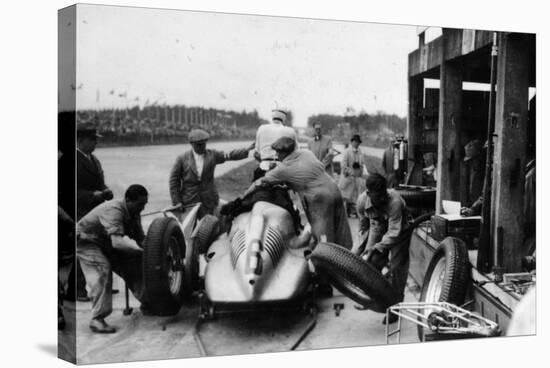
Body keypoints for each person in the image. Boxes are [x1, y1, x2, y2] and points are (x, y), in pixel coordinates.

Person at [245, 136, 352, 250]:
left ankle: (325, 260)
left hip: (319, 200)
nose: (276, 156)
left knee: (323, 237)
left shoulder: (283, 169)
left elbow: (259, 182)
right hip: (334, 190)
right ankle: (344, 258)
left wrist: (245, 195)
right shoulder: (306, 153)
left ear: (283, 153)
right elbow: (304, 173)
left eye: (278, 153)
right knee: (340, 230)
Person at [76, 185, 149, 333]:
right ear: (128, 200)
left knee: (134, 265)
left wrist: (152, 250)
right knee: (103, 270)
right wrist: (140, 251)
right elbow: (118, 243)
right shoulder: (114, 210)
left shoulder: (135, 212)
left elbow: (141, 238)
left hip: (106, 242)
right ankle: (97, 319)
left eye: (145, 204)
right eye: (140, 204)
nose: (143, 208)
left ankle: (148, 302)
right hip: (87, 241)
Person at [356, 173, 409, 324]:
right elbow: (363, 226)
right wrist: (360, 251)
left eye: (383, 195)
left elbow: (394, 232)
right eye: (377, 196)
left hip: (400, 230)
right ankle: (372, 296)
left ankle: (395, 309)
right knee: (371, 262)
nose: (381, 199)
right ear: (368, 194)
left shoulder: (394, 201)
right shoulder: (361, 201)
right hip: (378, 225)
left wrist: (377, 246)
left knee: (397, 268)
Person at [169, 128, 254, 219]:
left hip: (208, 201)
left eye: (204, 144)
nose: (202, 147)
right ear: (192, 144)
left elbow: (230, 155)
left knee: (209, 228)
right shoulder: (182, 159)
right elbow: (174, 182)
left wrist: (246, 150)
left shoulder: (212, 155)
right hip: (189, 202)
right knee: (188, 230)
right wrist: (177, 202)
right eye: (199, 145)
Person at [73, 123, 114, 302]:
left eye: (96, 140)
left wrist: (106, 191)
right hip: (80, 212)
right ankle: (78, 289)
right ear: (81, 141)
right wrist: (93, 195)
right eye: (92, 139)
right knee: (80, 250)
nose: (96, 143)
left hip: (97, 211)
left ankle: (103, 285)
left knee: (103, 246)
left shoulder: (94, 159)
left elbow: (100, 182)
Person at [253, 109, 297, 180]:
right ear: (284, 119)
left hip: (264, 167)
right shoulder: (290, 131)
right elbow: (296, 152)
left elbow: (256, 152)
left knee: (255, 186)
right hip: (283, 168)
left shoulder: (261, 128)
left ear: (272, 117)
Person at [338, 134, 368, 217]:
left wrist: (360, 171)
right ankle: (345, 213)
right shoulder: (347, 152)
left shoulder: (361, 152)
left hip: (356, 179)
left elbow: (362, 164)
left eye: (358, 142)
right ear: (352, 142)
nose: (357, 144)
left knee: (355, 196)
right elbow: (343, 166)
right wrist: (352, 172)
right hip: (347, 179)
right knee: (345, 197)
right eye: (355, 142)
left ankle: (353, 211)